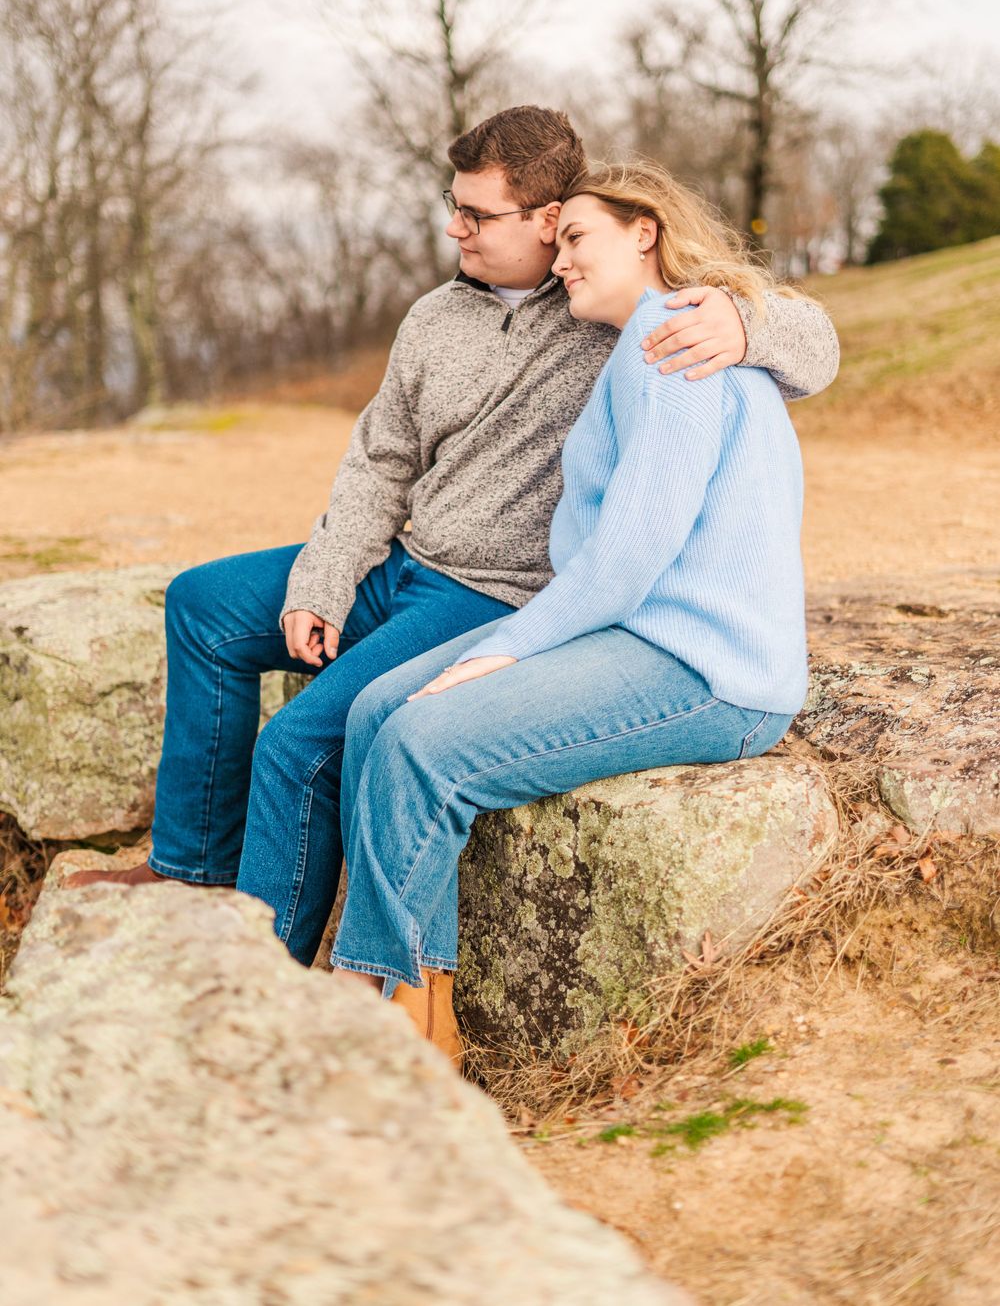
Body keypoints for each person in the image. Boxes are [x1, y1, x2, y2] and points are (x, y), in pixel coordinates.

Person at [67, 110, 838, 974]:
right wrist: (323, 579)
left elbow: (808, 334)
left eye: (477, 215)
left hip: (492, 594)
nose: (453, 227)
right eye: (453, 205)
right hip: (405, 564)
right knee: (201, 606)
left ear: (551, 221)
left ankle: (262, 977)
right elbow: (380, 460)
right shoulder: (435, 316)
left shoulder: (608, 308)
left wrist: (744, 323)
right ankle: (193, 871)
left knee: (298, 745)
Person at [327, 160, 812, 1066]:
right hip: (633, 633)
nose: (559, 263)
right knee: (376, 709)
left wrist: (510, 648)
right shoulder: (658, 339)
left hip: (708, 669)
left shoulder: (672, 341)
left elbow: (631, 554)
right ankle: (419, 1000)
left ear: (646, 232)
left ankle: (380, 1022)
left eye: (578, 239)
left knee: (421, 742)